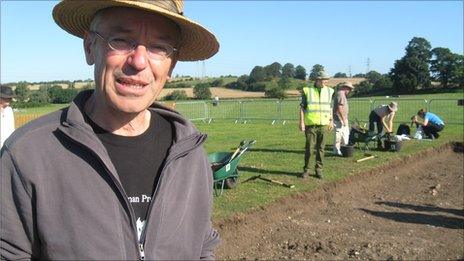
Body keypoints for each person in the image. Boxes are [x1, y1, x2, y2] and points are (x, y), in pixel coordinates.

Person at [1, 1, 220, 260]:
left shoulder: (189, 153)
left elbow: (202, 244)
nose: (139, 61)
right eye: (121, 40)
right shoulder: (27, 154)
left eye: (159, 47)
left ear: (171, 65)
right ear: (89, 47)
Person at [299, 70, 334, 179]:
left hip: (323, 124)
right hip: (311, 125)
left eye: (327, 79)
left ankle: (319, 170)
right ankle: (306, 170)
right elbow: (302, 108)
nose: (326, 81)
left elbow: (330, 108)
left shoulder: (330, 91)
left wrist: (331, 120)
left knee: (321, 148)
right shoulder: (307, 91)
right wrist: (301, 122)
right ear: (318, 80)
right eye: (324, 79)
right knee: (309, 148)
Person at [332, 82, 354, 156]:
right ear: (345, 88)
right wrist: (343, 119)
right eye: (349, 89)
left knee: (345, 135)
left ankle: (343, 150)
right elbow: (340, 107)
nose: (349, 91)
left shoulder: (341, 94)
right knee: (339, 135)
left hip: (341, 118)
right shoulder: (341, 94)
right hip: (339, 119)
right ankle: (337, 151)